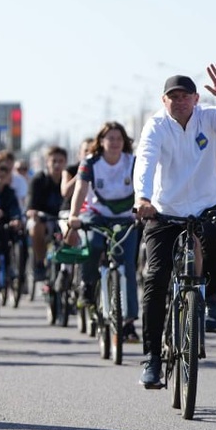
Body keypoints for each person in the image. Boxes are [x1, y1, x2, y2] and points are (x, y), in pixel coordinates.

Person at [134, 67, 216, 388]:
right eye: (173, 97)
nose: (180, 101)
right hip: (165, 211)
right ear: (164, 101)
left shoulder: (209, 118)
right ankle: (153, 359)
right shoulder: (156, 125)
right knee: (156, 279)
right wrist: (143, 198)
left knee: (214, 239)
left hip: (205, 204)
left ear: (196, 99)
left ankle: (211, 299)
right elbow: (145, 161)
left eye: (185, 96)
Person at [64, 121, 140, 343]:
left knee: (127, 266)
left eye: (119, 139)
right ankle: (88, 284)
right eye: (110, 138)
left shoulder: (133, 162)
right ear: (101, 141)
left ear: (124, 142)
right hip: (97, 215)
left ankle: (128, 322)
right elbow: (80, 189)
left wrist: (144, 208)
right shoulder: (90, 162)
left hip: (125, 217)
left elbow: (145, 187)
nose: (115, 143)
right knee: (94, 245)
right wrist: (73, 215)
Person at [26, 146, 68, 287]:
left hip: (64, 220)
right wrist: (34, 213)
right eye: (53, 161)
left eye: (60, 161)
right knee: (35, 227)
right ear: (47, 162)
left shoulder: (69, 180)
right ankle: (40, 263)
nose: (57, 165)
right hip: (44, 220)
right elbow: (31, 206)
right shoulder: (39, 180)